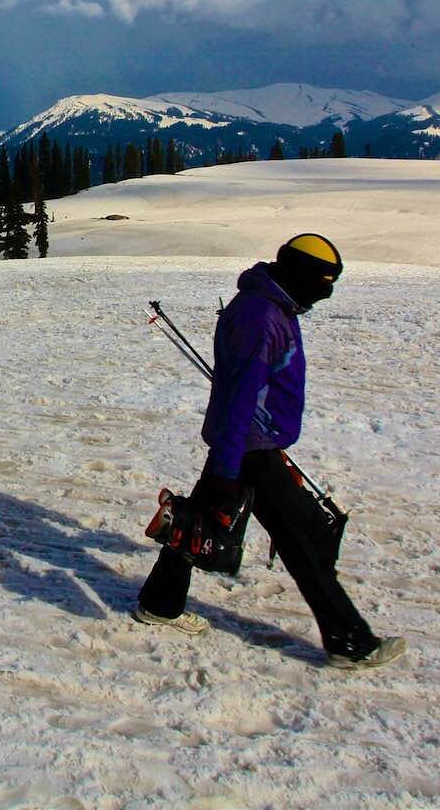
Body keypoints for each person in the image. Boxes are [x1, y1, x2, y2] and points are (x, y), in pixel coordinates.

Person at [133, 233, 406, 670]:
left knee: (199, 524)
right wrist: (226, 466)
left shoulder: (272, 305)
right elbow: (242, 395)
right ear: (299, 275)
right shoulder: (262, 316)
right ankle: (349, 642)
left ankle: (159, 604)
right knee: (307, 542)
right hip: (248, 448)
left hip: (245, 443)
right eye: (322, 283)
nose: (325, 294)